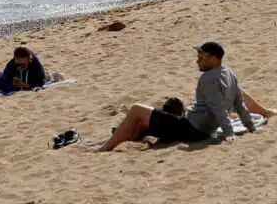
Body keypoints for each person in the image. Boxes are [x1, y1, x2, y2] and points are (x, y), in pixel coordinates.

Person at [99, 42, 255, 151]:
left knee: (136, 109)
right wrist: (249, 125)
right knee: (172, 105)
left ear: (213, 58)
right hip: (201, 128)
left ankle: (104, 148)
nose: (197, 61)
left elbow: (217, 107)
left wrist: (229, 133)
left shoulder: (208, 78)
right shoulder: (230, 74)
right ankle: (127, 138)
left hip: (192, 130)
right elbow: (239, 102)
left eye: (201, 58)